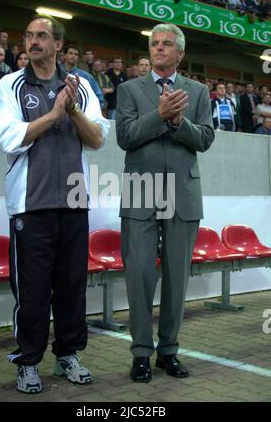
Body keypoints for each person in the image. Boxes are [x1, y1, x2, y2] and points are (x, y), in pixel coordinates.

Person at [0, 16, 109, 394]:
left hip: (74, 202)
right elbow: (10, 138)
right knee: (33, 290)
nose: (33, 41)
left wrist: (72, 110)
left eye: (41, 35)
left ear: (58, 43)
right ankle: (27, 361)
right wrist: (54, 115)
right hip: (30, 204)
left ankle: (68, 354)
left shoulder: (82, 87)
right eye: (28, 35)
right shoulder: (10, 84)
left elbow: (97, 139)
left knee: (72, 285)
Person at [116, 23, 214, 383]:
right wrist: (160, 115)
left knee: (176, 277)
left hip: (183, 194)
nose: (158, 49)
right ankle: (141, 352)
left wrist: (177, 121)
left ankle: (168, 351)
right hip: (142, 190)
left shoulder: (199, 92)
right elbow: (125, 137)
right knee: (139, 274)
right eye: (154, 44)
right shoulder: (128, 90)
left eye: (166, 44)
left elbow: (204, 138)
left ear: (180, 53)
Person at [61, 44, 104, 110]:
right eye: (70, 53)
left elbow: (98, 95)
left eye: (76, 54)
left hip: (78, 112)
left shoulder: (85, 76)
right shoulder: (56, 72)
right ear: (64, 56)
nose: (73, 56)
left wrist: (93, 112)